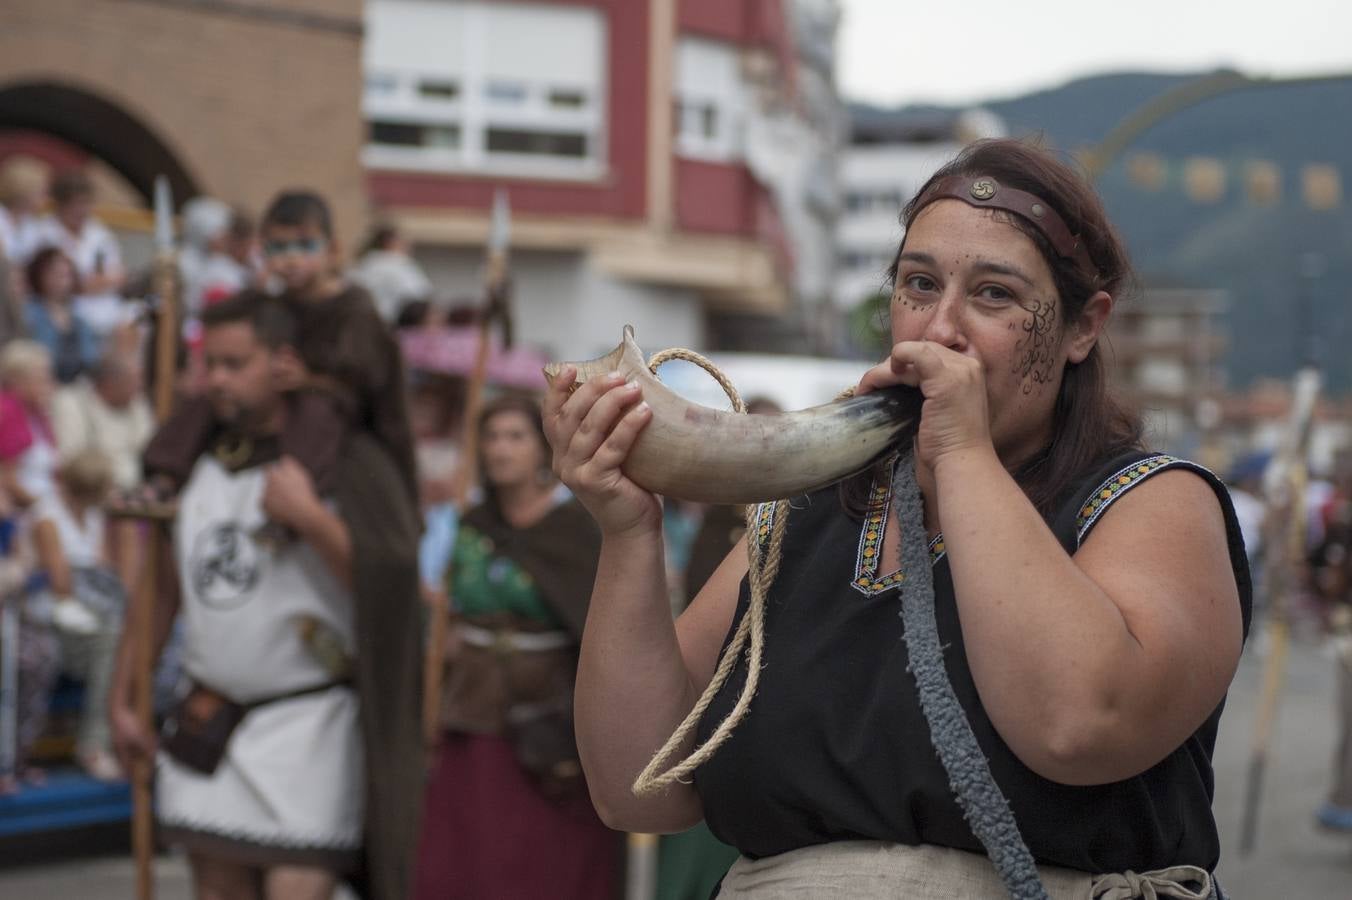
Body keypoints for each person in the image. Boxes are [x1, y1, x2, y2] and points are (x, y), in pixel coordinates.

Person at [544, 139, 1251, 899]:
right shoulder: (800, 517)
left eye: (994, 296)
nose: (939, 330)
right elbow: (637, 785)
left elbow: (1076, 726)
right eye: (919, 285)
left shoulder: (1155, 499)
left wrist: (961, 453)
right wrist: (627, 534)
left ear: (1083, 328)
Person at [114, 289, 423, 900]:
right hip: (210, 715)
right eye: (211, 365)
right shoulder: (192, 459)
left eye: (236, 364)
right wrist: (123, 694)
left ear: (282, 362)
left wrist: (310, 519)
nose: (217, 381)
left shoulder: (344, 460)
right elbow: (163, 590)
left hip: (309, 724)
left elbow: (389, 591)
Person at [414, 394, 620, 900]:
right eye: (491, 437)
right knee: (464, 858)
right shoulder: (470, 525)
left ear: (541, 448)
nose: (500, 449)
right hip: (473, 711)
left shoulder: (574, 528)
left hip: (550, 720)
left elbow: (599, 624)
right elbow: (450, 608)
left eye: (515, 437)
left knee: (542, 865)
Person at [31, 448, 126, 781]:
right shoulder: (47, 516)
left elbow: (103, 568)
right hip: (50, 617)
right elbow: (60, 584)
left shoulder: (93, 515)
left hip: (85, 613)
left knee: (125, 639)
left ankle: (118, 735)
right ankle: (94, 745)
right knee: (111, 643)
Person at [33, 170, 129, 338]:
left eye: (85, 203)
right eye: (74, 204)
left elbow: (118, 275)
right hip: (64, 308)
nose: (81, 210)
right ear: (61, 204)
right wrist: (84, 285)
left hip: (107, 307)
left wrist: (93, 283)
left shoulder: (99, 232)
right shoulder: (43, 233)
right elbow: (55, 283)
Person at [23, 246, 101, 384]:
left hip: (80, 386)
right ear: (39, 275)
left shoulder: (80, 318)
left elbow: (91, 360)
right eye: (54, 274)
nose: (61, 281)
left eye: (66, 275)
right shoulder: (27, 313)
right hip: (42, 384)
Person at [0, 339, 59, 509]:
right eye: (41, 377)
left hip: (44, 501)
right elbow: (7, 478)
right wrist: (44, 506)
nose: (49, 383)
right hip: (23, 508)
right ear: (17, 380)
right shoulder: (7, 412)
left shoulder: (38, 414)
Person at [352, 223, 432, 323]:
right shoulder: (398, 264)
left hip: (361, 324)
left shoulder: (360, 266)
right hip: (392, 325)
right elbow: (419, 296)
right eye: (403, 241)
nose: (408, 245)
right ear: (389, 242)